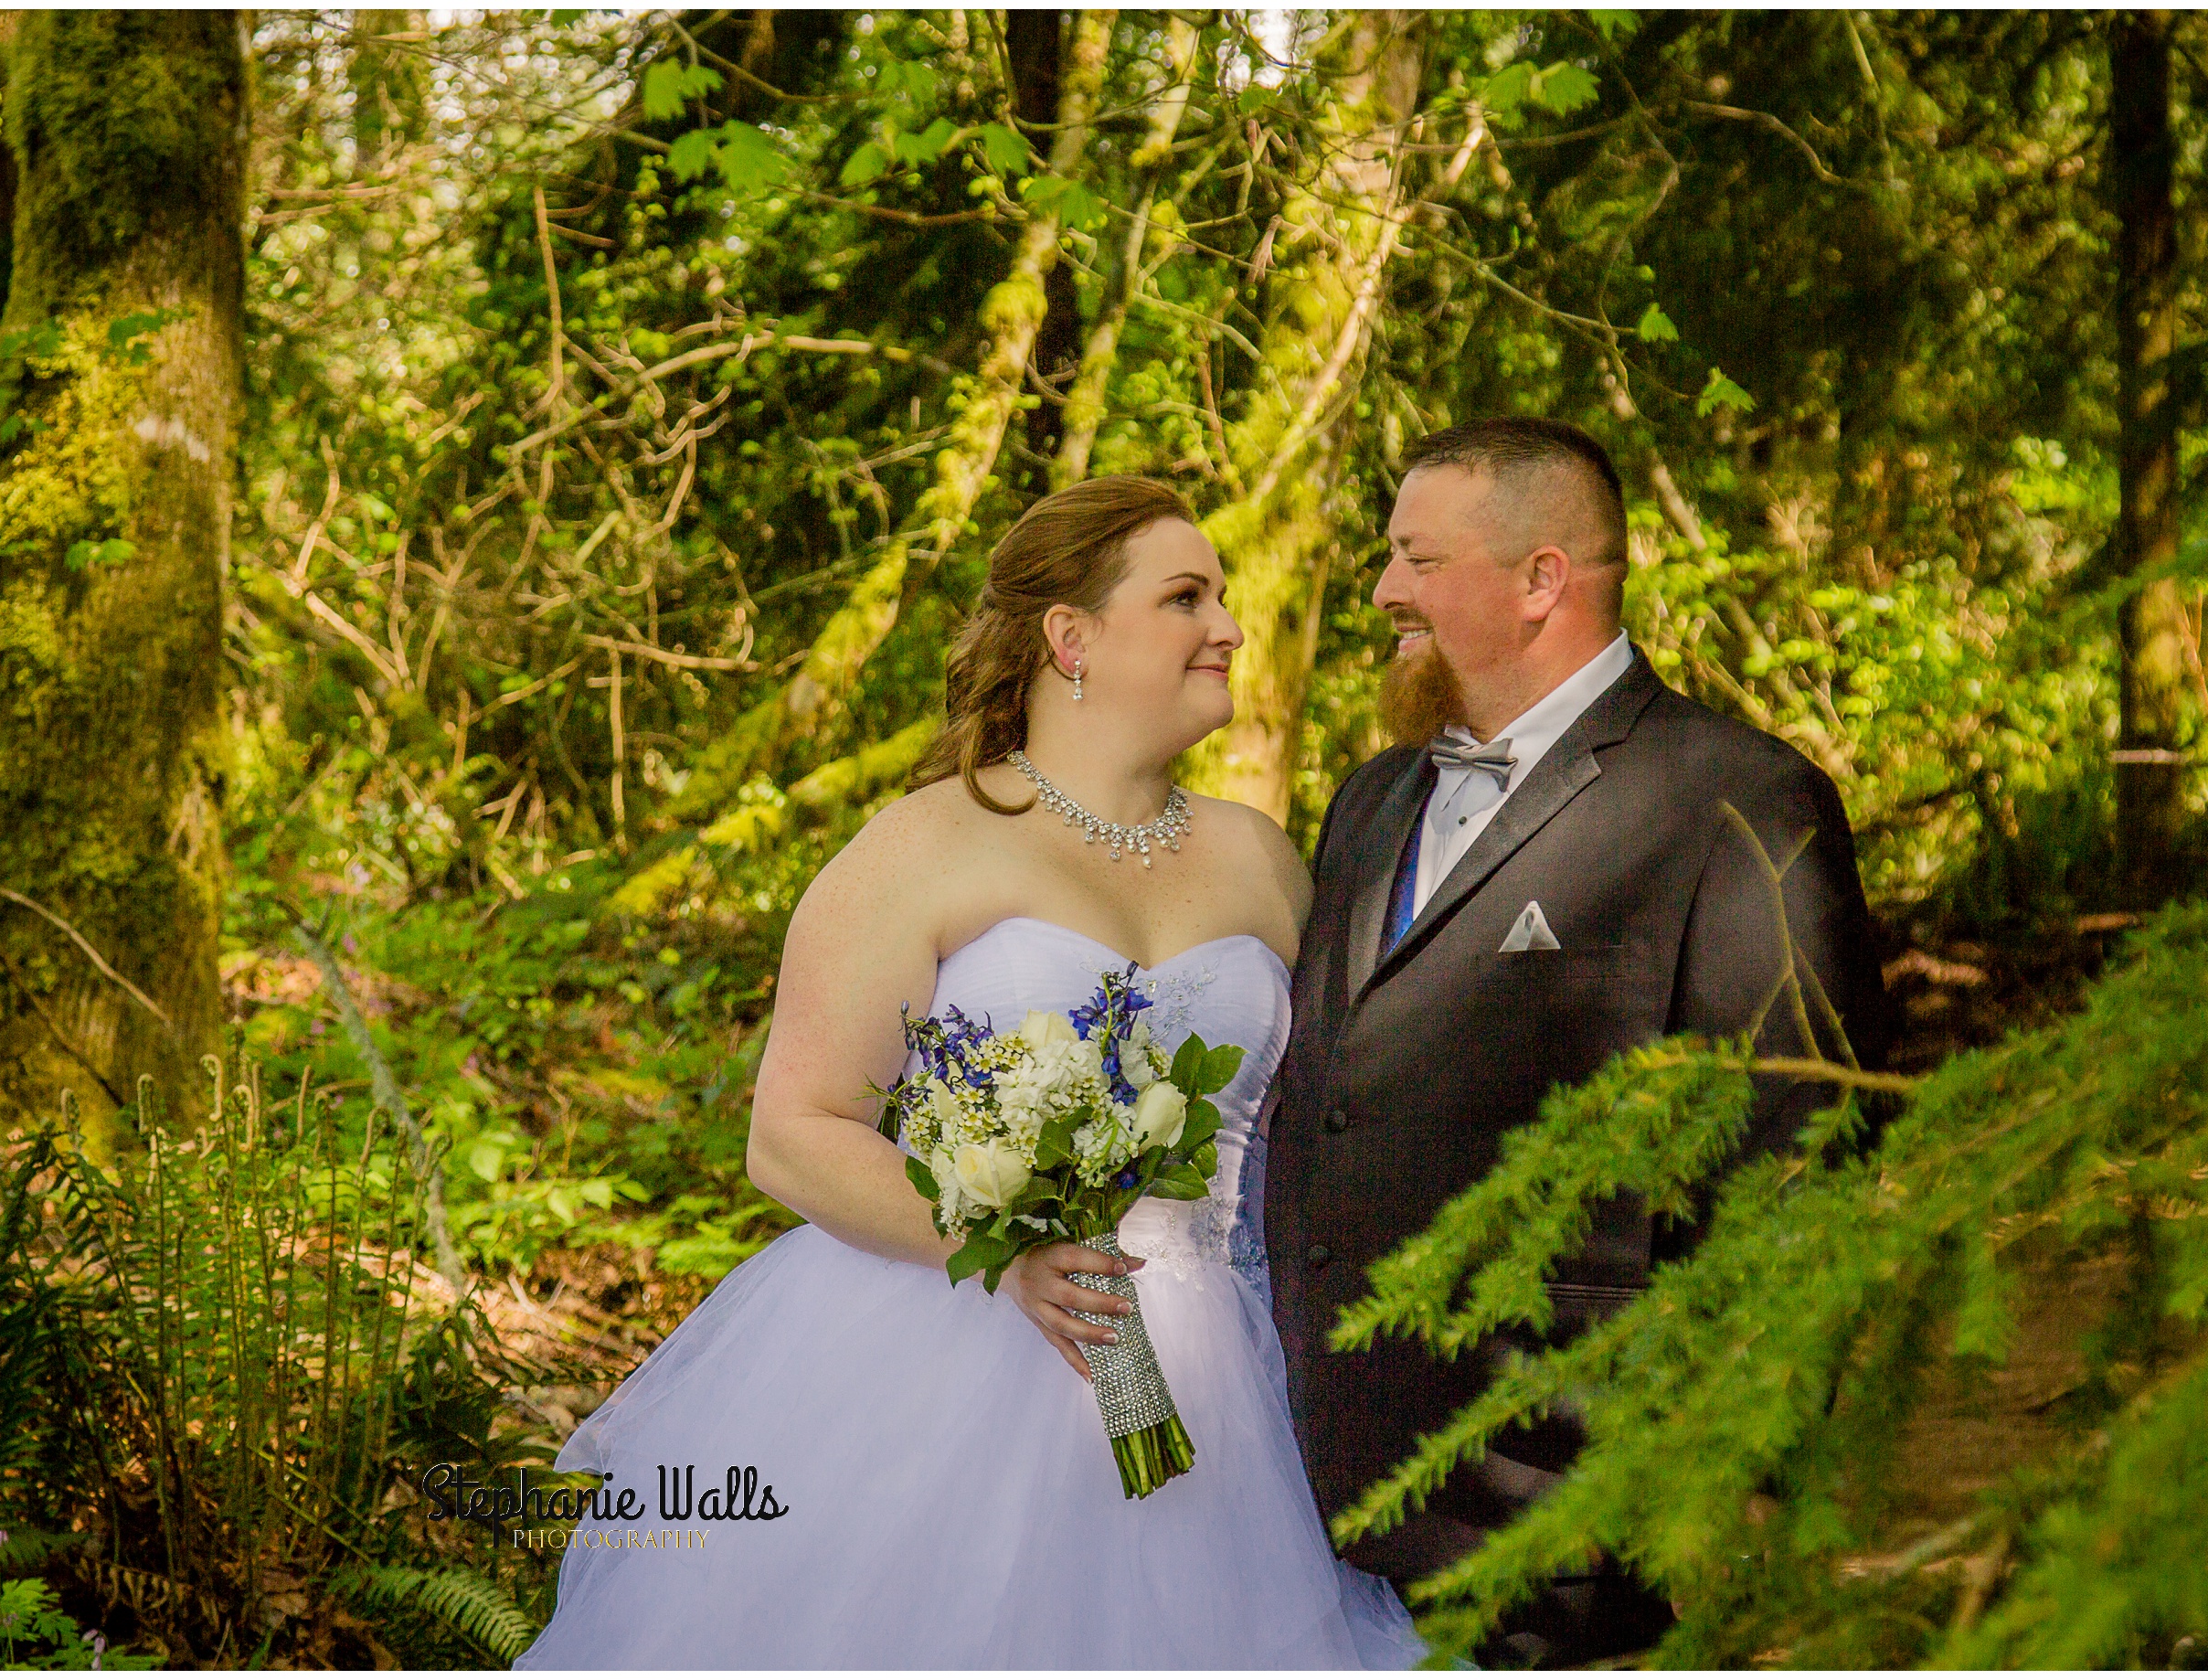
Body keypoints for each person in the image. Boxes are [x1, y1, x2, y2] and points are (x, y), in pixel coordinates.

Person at [512, 476, 1426, 1670]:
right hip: (950, 1349)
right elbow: (793, 1130)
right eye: (1186, 596)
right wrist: (1001, 1241)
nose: (1231, 627)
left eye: (1225, 597)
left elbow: (1333, 1120)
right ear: (1072, 636)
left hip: (1224, 1372)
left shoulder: (1261, 857)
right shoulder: (923, 843)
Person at [1260, 417, 1891, 1667]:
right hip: (1317, 1505)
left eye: (1416, 559)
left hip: (1564, 1511)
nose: (1384, 591)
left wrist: (1716, 1482)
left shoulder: (1736, 802)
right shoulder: (1371, 801)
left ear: (1543, 578)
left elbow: (1797, 1164)